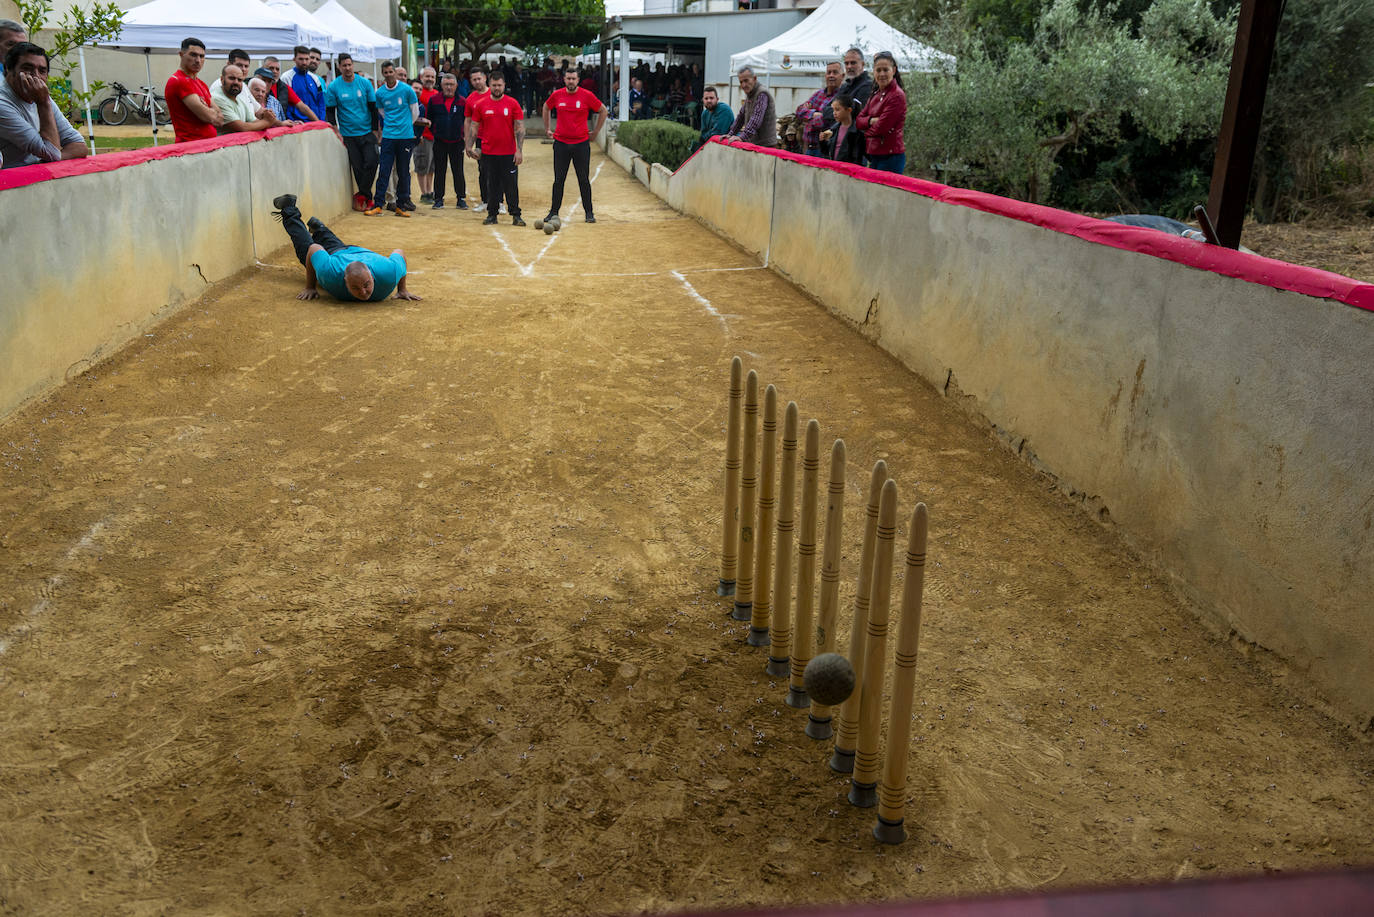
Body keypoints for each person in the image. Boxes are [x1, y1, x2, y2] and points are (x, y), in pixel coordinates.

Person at [271, 193, 420, 302]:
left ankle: (320, 229)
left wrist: (402, 290)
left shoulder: (389, 273)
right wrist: (310, 286)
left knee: (335, 246)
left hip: (352, 251)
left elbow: (399, 252)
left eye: (367, 284)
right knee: (305, 247)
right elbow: (314, 249)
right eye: (355, 288)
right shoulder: (330, 274)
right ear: (344, 281)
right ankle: (290, 209)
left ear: (372, 277)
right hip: (339, 253)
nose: (363, 292)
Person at [0, 42, 86, 169]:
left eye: (42, 71)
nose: (36, 76)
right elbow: (52, 153)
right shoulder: (3, 103)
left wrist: (47, 160)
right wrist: (43, 103)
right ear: (9, 69)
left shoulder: (41, 97)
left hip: (38, 179)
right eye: (27, 68)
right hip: (12, 185)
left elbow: (79, 146)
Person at [542, 66, 606, 224]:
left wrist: (596, 132)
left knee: (583, 179)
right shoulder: (557, 95)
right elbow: (546, 107)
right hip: (561, 144)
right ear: (564, 79)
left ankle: (589, 213)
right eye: (568, 78)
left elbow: (603, 110)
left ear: (578, 80)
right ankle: (553, 212)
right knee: (559, 180)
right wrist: (547, 128)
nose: (571, 81)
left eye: (573, 78)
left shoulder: (587, 95)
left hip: (581, 144)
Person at [467, 70, 524, 226]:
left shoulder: (513, 104)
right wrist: (469, 145)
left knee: (511, 185)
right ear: (489, 85)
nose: (497, 88)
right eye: (494, 85)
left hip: (508, 153)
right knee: (492, 185)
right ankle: (492, 215)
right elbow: (474, 126)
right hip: (489, 152)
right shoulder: (481, 105)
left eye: (499, 85)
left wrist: (519, 150)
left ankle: (516, 215)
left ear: (504, 85)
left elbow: (519, 128)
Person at [366, 60, 422, 217]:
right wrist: (392, 126)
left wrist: (404, 125)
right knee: (384, 170)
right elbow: (382, 112)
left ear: (395, 73)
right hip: (389, 137)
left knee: (403, 172)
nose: (389, 75)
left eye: (391, 72)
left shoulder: (407, 90)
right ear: (383, 74)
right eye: (386, 72)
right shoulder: (380, 93)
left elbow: (415, 112)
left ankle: (401, 206)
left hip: (405, 136)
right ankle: (378, 204)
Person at [325, 52, 379, 211]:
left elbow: (373, 109)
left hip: (367, 131)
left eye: (350, 65)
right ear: (339, 67)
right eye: (344, 65)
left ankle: (362, 193)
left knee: (372, 161)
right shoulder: (334, 86)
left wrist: (376, 131)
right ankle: (367, 198)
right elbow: (330, 111)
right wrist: (336, 130)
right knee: (358, 167)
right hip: (348, 134)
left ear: (353, 65)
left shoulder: (365, 83)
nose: (347, 68)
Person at [855, 51, 906, 174]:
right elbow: (858, 120)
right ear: (873, 72)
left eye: (885, 70)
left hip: (891, 156)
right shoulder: (876, 93)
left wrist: (864, 132)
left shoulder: (897, 95)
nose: (882, 74)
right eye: (878, 70)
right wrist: (870, 120)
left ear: (893, 71)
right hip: (874, 155)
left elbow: (881, 128)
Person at [165, 37, 222, 143]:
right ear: (181, 55)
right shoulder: (179, 81)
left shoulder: (201, 83)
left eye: (202, 56)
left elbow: (220, 119)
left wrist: (206, 109)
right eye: (193, 55)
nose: (198, 60)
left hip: (206, 145)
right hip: (191, 147)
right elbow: (209, 117)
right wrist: (209, 111)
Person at [427, 71, 466, 209]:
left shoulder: (462, 101)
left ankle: (461, 198)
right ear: (441, 85)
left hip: (457, 142)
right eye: (446, 84)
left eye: (451, 84)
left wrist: (463, 136)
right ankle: (438, 198)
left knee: (458, 171)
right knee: (439, 170)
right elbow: (429, 119)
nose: (449, 87)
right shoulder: (434, 100)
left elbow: (465, 121)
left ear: (456, 86)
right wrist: (436, 132)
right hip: (440, 141)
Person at [210, 64, 278, 134]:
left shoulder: (239, 97)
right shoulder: (217, 98)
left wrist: (269, 116)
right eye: (231, 78)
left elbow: (254, 122)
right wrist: (267, 122)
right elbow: (242, 127)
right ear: (222, 79)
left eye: (239, 80)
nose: (236, 82)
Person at [795, 62, 841, 157]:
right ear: (825, 75)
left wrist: (807, 117)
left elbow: (825, 121)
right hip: (808, 148)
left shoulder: (841, 97)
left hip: (824, 150)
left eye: (835, 72)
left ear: (842, 76)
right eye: (829, 72)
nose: (831, 75)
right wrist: (815, 114)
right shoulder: (819, 93)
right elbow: (799, 111)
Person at [725, 66, 775, 146]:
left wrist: (742, 137)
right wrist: (730, 134)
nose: (744, 85)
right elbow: (741, 116)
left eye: (746, 80)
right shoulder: (750, 94)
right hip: (754, 143)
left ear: (754, 78)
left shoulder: (761, 94)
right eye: (741, 82)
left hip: (765, 145)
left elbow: (756, 119)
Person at [463, 66, 490, 207]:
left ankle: (499, 202)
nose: (477, 82)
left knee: (498, 171)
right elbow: (467, 121)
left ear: (485, 78)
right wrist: (468, 143)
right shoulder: (471, 99)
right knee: (483, 170)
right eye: (474, 80)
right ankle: (485, 201)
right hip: (480, 139)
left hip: (495, 138)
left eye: (479, 78)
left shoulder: (494, 94)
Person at [414, 66, 439, 204]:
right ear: (421, 78)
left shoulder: (436, 93)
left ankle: (429, 191)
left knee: (431, 167)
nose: (429, 79)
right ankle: (424, 193)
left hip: (434, 136)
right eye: (427, 76)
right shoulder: (418, 93)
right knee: (422, 165)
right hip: (423, 136)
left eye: (432, 77)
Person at [819, 94, 863, 164]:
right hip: (835, 168)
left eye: (837, 110)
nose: (834, 113)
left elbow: (856, 156)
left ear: (849, 110)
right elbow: (826, 152)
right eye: (833, 110)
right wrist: (822, 142)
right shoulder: (834, 129)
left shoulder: (857, 131)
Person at [286, 45, 324, 122]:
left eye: (307, 59)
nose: (304, 62)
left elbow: (321, 102)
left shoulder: (315, 78)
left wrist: (321, 120)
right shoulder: (287, 77)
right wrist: (292, 122)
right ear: (294, 59)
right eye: (301, 59)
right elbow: (285, 104)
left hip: (315, 123)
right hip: (297, 124)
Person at [692, 86, 731, 153]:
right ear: (703, 100)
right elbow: (703, 134)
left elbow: (717, 134)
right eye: (706, 98)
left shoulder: (724, 110)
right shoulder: (704, 114)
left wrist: (705, 136)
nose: (709, 100)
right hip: (713, 148)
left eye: (711, 98)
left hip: (728, 148)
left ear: (717, 99)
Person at [836, 47, 874, 113]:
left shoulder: (868, 86)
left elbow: (854, 113)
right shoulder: (844, 86)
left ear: (862, 64)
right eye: (846, 63)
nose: (849, 67)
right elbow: (828, 108)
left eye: (853, 63)